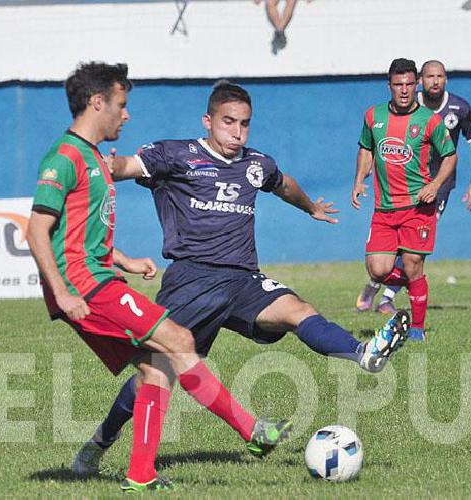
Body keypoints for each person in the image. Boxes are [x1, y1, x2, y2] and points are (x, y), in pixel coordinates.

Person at [70, 79, 412, 476]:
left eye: (244, 124)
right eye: (228, 122)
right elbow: (127, 166)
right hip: (192, 283)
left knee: (298, 310)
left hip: (243, 281)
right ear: (208, 120)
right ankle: (98, 446)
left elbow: (283, 184)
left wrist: (311, 208)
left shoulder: (255, 165)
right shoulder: (176, 155)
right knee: (156, 373)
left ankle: (363, 354)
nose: (237, 132)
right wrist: (108, 165)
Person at [27, 62, 292, 493]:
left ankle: (139, 474)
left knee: (156, 368)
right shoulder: (66, 157)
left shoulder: (94, 158)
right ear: (98, 103)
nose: (126, 115)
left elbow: (75, 235)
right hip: (85, 288)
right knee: (179, 341)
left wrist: (125, 260)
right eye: (121, 105)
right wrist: (62, 291)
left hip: (95, 279)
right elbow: (38, 229)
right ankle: (252, 431)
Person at [355, 59, 471, 339]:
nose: (404, 90)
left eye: (408, 84)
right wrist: (358, 180)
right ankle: (382, 287)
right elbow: (366, 148)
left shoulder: (432, 119)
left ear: (416, 86)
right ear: (389, 85)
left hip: (419, 205)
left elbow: (451, 155)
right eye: (398, 84)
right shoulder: (373, 116)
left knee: (413, 263)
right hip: (384, 208)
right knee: (378, 269)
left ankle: (416, 328)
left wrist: (436, 185)